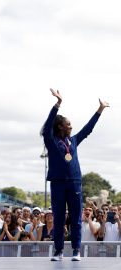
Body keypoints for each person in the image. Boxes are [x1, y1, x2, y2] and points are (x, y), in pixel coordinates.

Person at [41, 89, 109, 261]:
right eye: (68, 124)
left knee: (76, 219)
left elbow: (88, 129)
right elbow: (48, 126)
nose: (71, 126)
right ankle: (58, 251)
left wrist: (99, 111)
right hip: (57, 183)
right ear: (60, 126)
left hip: (75, 183)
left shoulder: (74, 140)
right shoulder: (51, 140)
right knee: (58, 219)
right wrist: (57, 105)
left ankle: (76, 250)